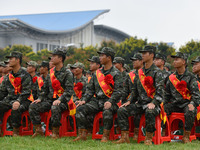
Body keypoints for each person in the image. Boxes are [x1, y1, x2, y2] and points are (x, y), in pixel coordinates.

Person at [116, 46, 164, 145]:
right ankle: (125, 137)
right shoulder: (139, 72)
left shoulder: (157, 72)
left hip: (153, 104)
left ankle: (148, 138)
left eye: (145, 53)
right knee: (122, 109)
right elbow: (134, 90)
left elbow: (160, 92)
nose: (142, 55)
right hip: (140, 103)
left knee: (150, 111)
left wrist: (154, 102)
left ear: (151, 55)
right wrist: (129, 101)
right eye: (142, 53)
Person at [74, 47, 123, 142]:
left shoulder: (116, 73)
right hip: (97, 101)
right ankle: (82, 134)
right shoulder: (97, 73)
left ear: (109, 58)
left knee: (107, 110)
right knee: (80, 108)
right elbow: (90, 90)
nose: (99, 57)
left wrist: (110, 101)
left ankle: (105, 135)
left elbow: (118, 91)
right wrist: (84, 100)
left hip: (111, 102)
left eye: (102, 55)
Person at [164, 52, 200, 143]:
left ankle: (186, 135)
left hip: (186, 104)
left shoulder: (191, 77)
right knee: (161, 109)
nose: (174, 61)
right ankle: (165, 134)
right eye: (174, 59)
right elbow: (166, 94)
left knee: (191, 110)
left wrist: (192, 103)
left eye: (177, 59)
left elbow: (196, 95)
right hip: (174, 104)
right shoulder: (171, 77)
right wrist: (162, 103)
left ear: (183, 61)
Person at [0, 52, 33, 136]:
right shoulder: (8, 77)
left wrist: (18, 100)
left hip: (24, 100)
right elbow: (2, 92)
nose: (9, 61)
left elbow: (26, 92)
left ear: (18, 60)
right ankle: (1, 129)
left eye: (11, 59)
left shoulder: (25, 75)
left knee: (16, 107)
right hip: (10, 99)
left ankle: (15, 131)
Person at [115, 53, 144, 143]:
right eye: (132, 61)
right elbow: (126, 91)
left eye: (136, 60)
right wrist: (124, 101)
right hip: (134, 102)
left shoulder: (148, 73)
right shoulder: (130, 75)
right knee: (122, 109)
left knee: (139, 114)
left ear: (142, 61)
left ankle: (137, 133)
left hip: (147, 102)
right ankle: (124, 137)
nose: (133, 62)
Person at [48, 48, 74, 139]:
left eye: (54, 56)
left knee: (55, 106)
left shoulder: (68, 73)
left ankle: (55, 132)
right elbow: (45, 89)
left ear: (60, 59)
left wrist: (59, 99)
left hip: (64, 101)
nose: (52, 58)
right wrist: (39, 98)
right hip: (51, 99)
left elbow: (69, 91)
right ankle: (39, 130)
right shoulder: (51, 72)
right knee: (33, 106)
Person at [29, 61, 50, 137]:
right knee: (32, 105)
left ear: (46, 68)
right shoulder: (40, 79)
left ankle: (40, 129)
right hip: (41, 100)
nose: (40, 69)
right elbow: (35, 91)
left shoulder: (51, 78)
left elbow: (50, 92)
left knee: (33, 107)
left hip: (49, 101)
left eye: (41, 67)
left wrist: (41, 98)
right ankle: (38, 129)